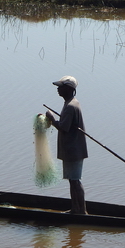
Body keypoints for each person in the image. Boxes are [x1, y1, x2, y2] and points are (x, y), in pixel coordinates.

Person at [45, 76, 88, 215]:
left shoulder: (70, 106)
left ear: (69, 89)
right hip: (74, 149)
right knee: (72, 180)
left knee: (75, 181)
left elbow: (64, 127)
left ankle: (81, 211)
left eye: (60, 87)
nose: (58, 89)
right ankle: (76, 209)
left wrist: (52, 119)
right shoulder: (72, 103)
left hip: (73, 149)